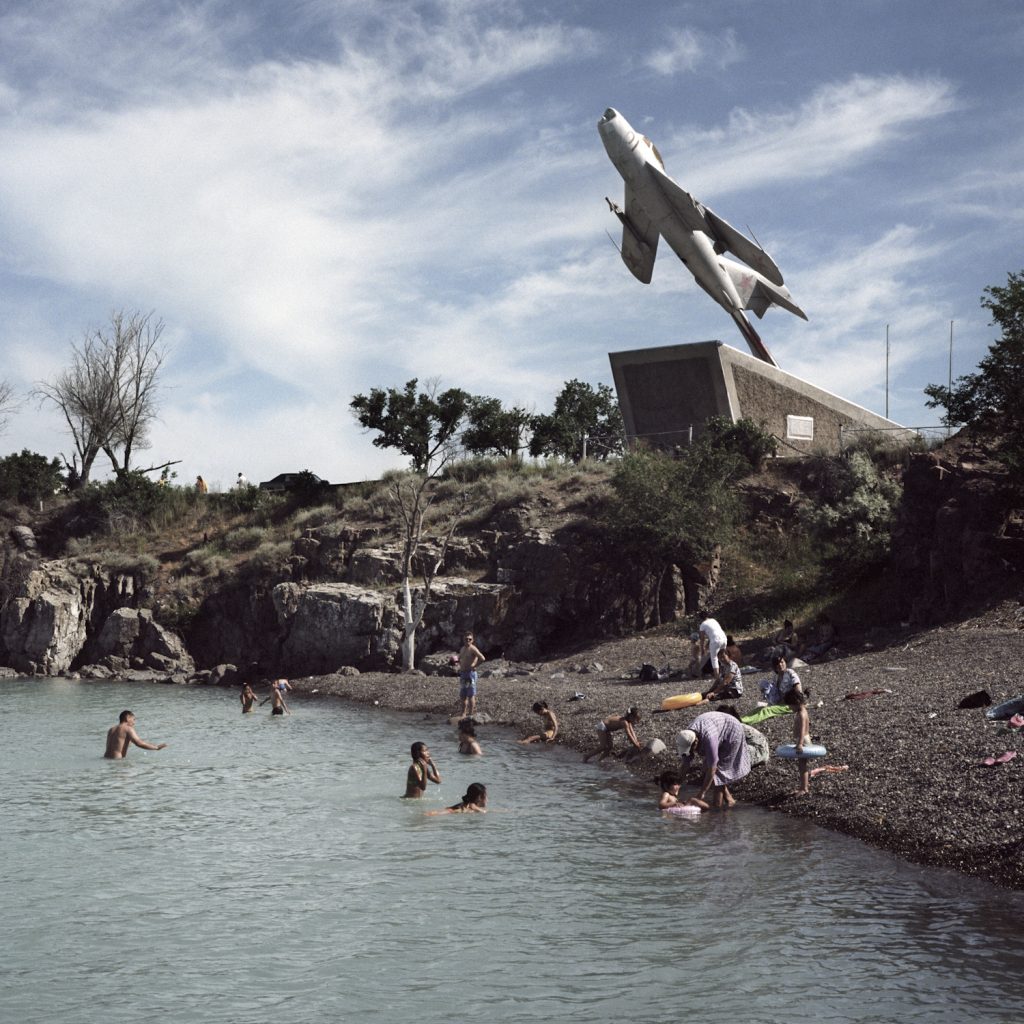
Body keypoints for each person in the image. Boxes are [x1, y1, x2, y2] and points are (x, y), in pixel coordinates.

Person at [676, 710, 751, 809]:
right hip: (716, 725)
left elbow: (713, 768)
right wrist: (676, 788)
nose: (689, 752)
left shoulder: (709, 738)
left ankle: (717, 807)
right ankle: (729, 800)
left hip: (732, 731)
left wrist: (702, 793)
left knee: (718, 773)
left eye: (691, 749)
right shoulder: (687, 736)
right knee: (708, 770)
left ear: (696, 742)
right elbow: (685, 764)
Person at [457, 632, 486, 718]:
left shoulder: (473, 648)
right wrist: (458, 663)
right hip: (463, 673)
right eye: (466, 639)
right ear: (463, 640)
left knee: (470, 695)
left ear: (472, 640)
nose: (468, 641)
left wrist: (474, 665)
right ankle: (463, 713)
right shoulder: (462, 649)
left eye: (470, 639)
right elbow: (460, 659)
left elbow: (482, 658)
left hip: (470, 674)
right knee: (463, 695)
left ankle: (470, 714)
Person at [698, 611, 728, 681]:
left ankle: (717, 677)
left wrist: (702, 649)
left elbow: (702, 638)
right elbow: (714, 633)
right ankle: (729, 671)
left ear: (700, 618)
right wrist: (707, 645)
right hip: (724, 638)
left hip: (715, 641)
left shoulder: (702, 625)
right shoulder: (713, 620)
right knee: (722, 655)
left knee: (714, 658)